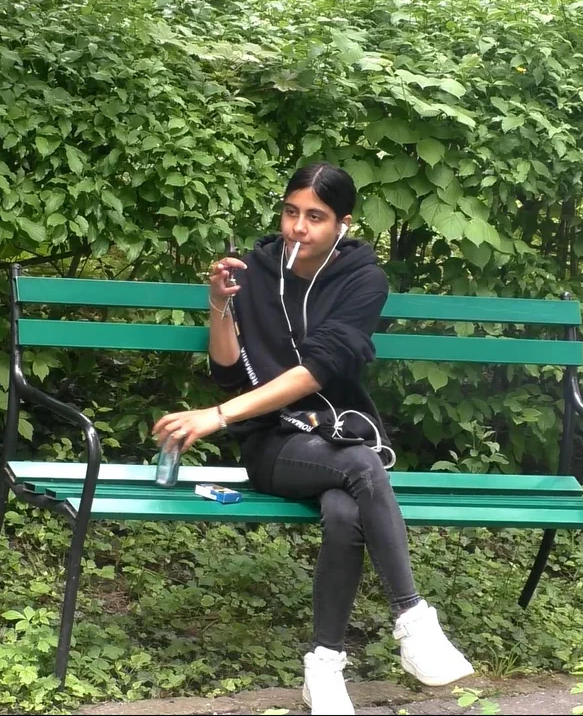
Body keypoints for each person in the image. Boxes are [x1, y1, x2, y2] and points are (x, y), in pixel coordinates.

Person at [151, 162, 474, 715]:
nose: (298, 227)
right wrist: (220, 304)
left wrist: (216, 417)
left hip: (336, 433)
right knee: (363, 467)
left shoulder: (363, 280)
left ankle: (323, 667)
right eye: (290, 212)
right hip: (271, 445)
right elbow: (228, 373)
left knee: (346, 509)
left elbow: (318, 371)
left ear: (343, 224)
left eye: (316, 217)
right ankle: (412, 619)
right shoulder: (256, 269)